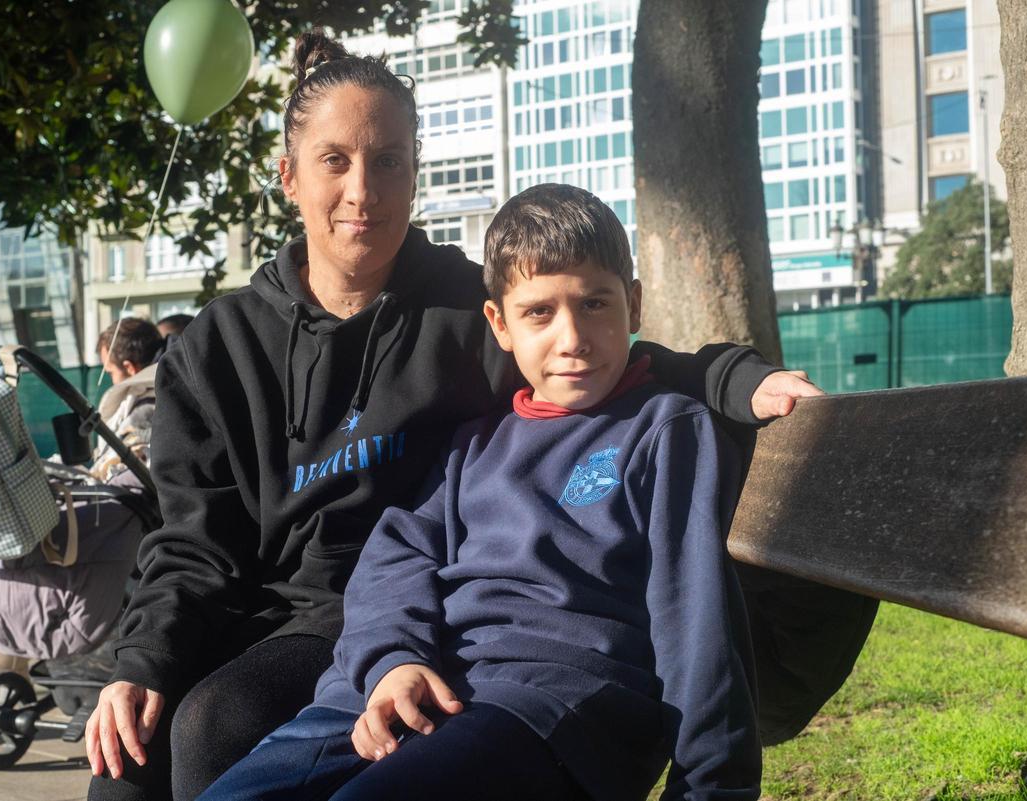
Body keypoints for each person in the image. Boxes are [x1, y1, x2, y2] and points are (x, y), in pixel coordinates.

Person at [84, 31, 817, 801]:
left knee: (214, 726)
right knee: (125, 764)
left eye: (389, 161)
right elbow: (192, 542)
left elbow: (606, 360)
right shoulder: (216, 345)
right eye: (335, 160)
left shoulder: (468, 311)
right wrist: (141, 661)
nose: (363, 190)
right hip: (299, 619)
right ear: (289, 176)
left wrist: (734, 376)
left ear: (414, 174)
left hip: (388, 623)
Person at [198, 183, 760, 801]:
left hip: (548, 707)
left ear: (635, 304)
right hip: (411, 690)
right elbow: (396, 558)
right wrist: (393, 661)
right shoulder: (474, 442)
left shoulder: (665, 430)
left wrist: (711, 785)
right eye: (539, 313)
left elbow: (695, 610)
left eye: (596, 304)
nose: (572, 337)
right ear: (500, 324)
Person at [0, 318, 163, 694]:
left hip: (128, 509)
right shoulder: (137, 401)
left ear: (130, 368)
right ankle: (0, 661)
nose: (106, 374)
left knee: (23, 519)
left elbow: (135, 470)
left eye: (109, 368)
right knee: (17, 506)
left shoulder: (147, 406)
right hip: (116, 496)